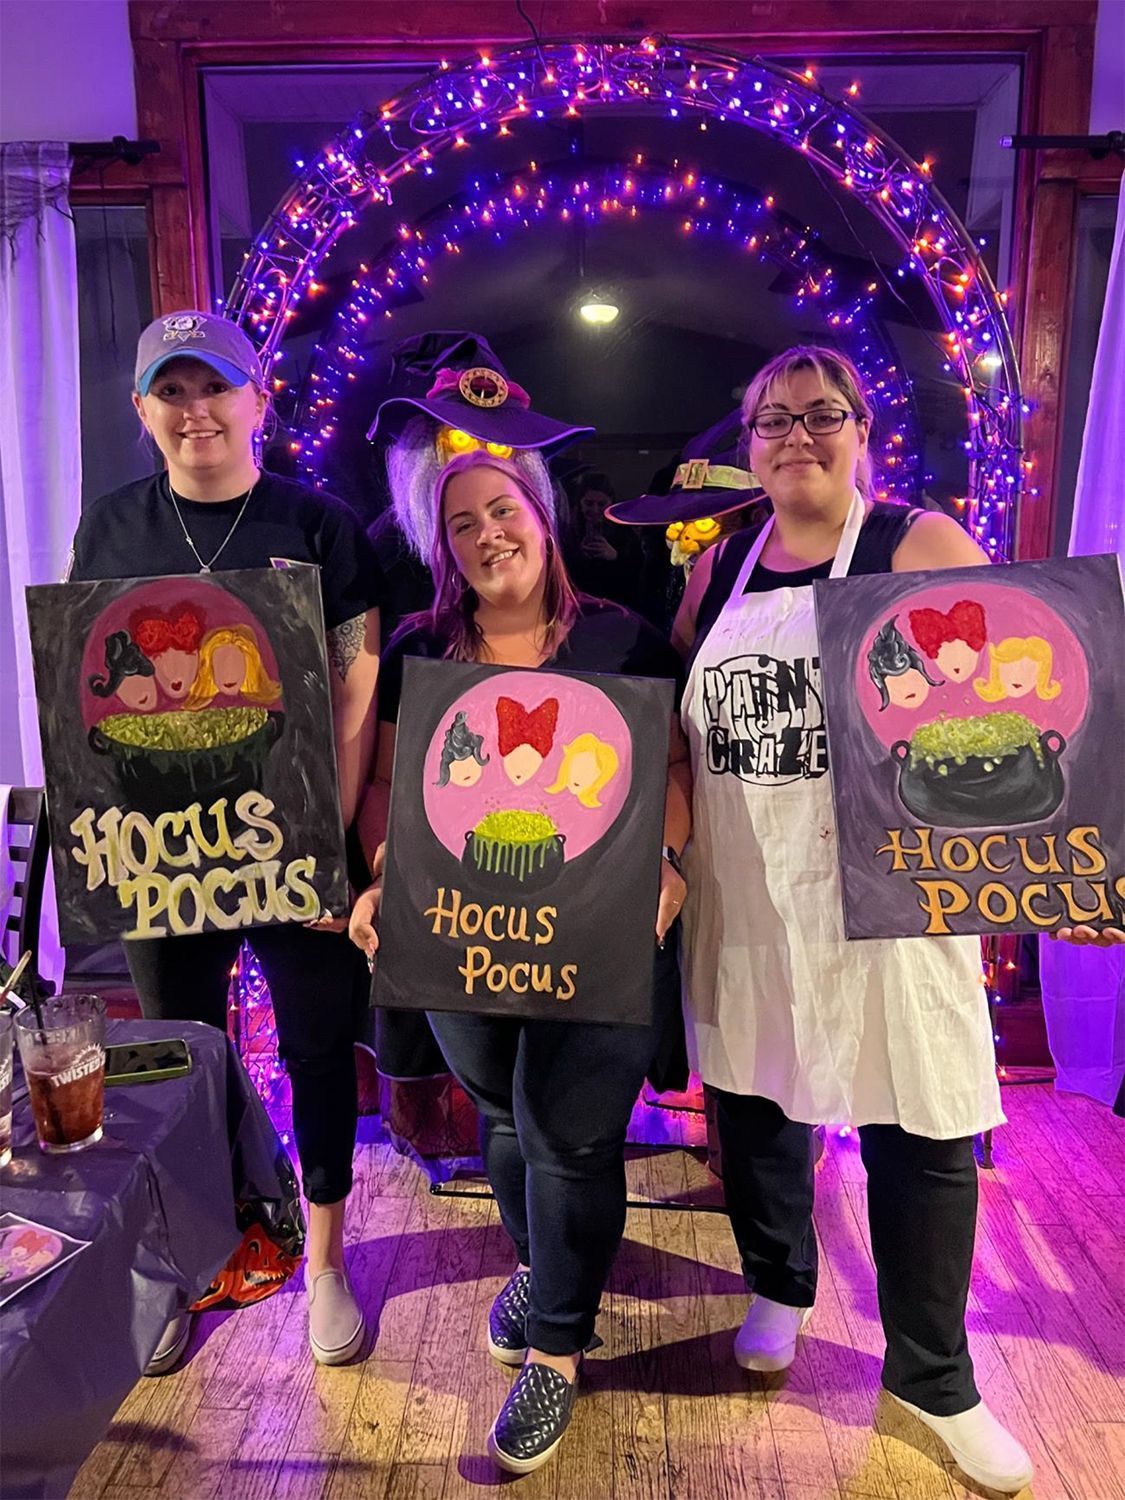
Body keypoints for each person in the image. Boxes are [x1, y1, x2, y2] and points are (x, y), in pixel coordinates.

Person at [673, 345, 1034, 1496]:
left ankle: (935, 1375)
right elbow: (680, 731)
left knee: (920, 1118)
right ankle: (779, 1285)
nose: (796, 437)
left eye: (821, 414)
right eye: (772, 421)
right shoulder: (718, 568)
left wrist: (1052, 867)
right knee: (757, 1099)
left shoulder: (918, 544)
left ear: (862, 430)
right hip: (751, 884)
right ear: (750, 445)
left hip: (889, 894)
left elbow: (1013, 691)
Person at [348, 449, 691, 1474]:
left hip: (601, 930)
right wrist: (387, 876)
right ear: (440, 547)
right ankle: (544, 1267)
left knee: (569, 1137)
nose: (487, 534)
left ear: (542, 518)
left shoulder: (622, 637)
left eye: (503, 510)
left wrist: (669, 862)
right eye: (461, 523)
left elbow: (674, 763)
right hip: (461, 930)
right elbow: (386, 786)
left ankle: (556, 1352)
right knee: (503, 1112)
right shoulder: (420, 648)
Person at [67, 310, 382, 1374]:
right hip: (163, 848)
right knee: (178, 1054)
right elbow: (86, 680)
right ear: (142, 408)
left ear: (259, 401)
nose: (195, 410)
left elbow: (354, 688)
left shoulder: (319, 524)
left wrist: (325, 840)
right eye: (173, 390)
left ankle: (326, 1260)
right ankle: (190, 1256)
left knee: (315, 1046)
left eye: (215, 387)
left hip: (291, 842)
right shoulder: (109, 528)